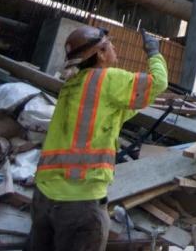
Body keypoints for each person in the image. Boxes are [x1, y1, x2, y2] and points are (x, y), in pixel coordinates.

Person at [27, 26, 168, 251]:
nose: (115, 47)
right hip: (80, 201)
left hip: (43, 197)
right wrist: (153, 51)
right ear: (100, 53)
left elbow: (111, 113)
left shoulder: (71, 85)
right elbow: (159, 82)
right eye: (110, 43)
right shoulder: (109, 79)